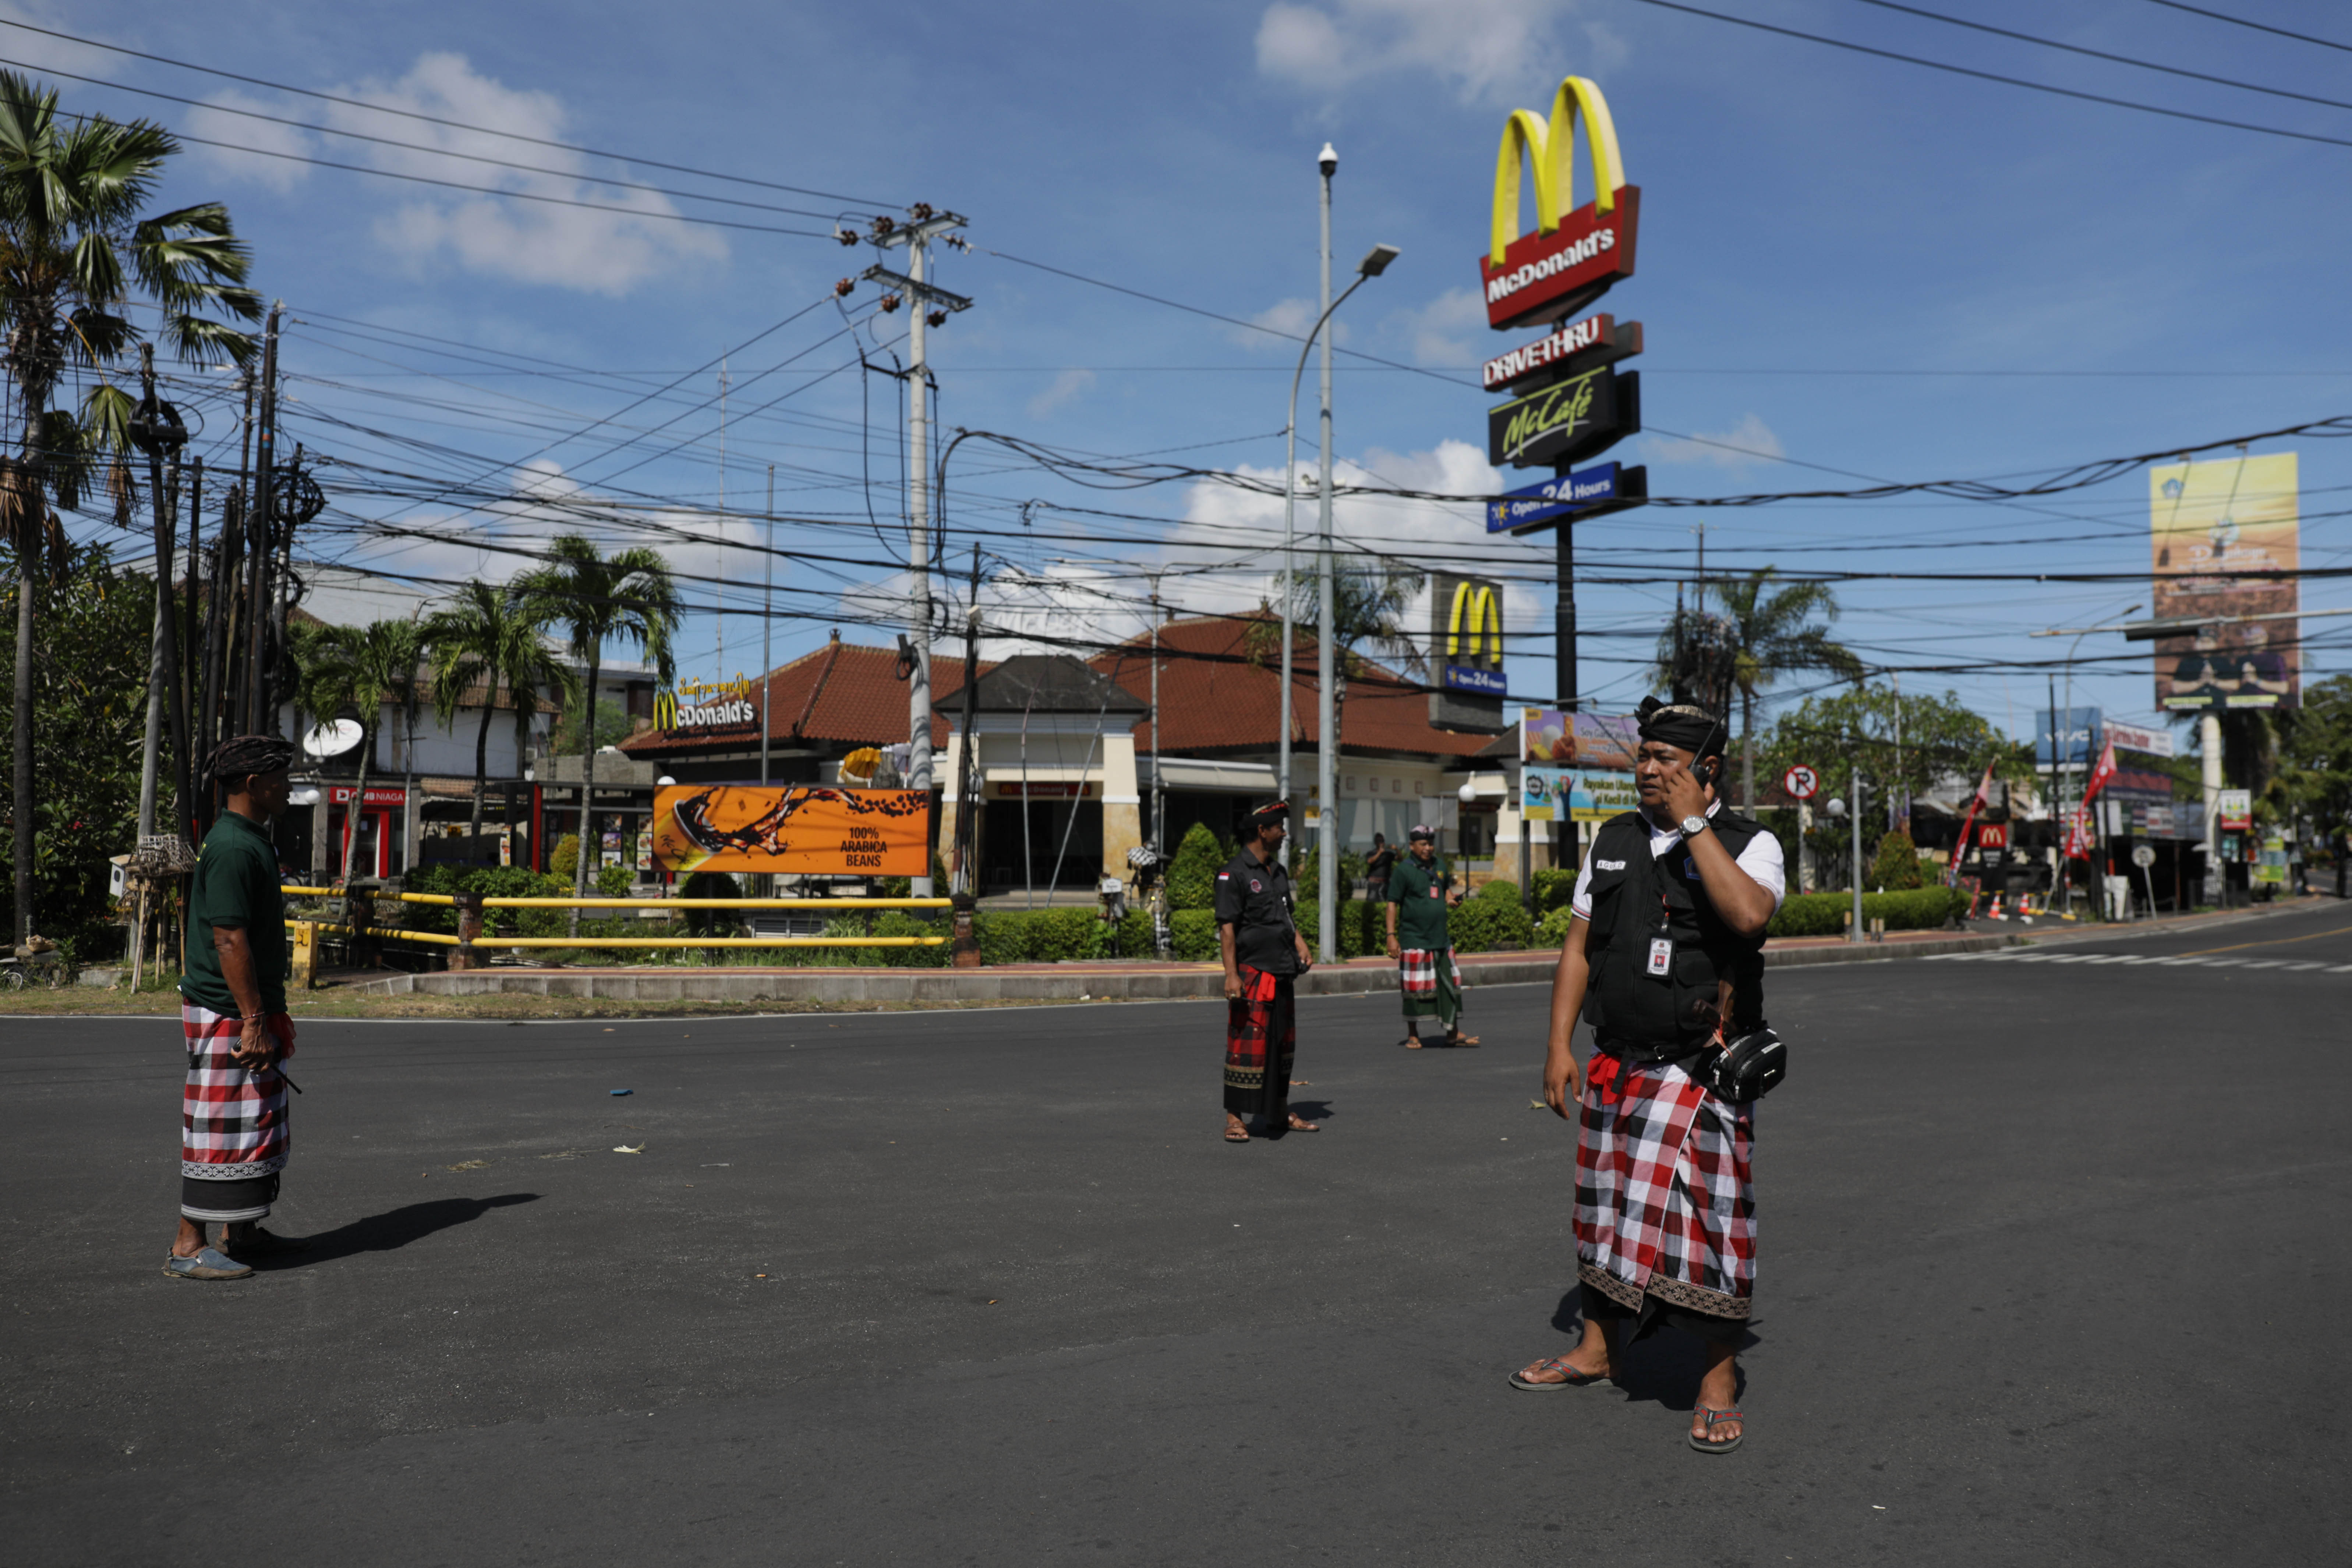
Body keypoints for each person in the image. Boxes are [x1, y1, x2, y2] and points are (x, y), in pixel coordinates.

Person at [1509, 699, 1786, 1455]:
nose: (1651, 768)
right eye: (1645, 754)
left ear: (1707, 768)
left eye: (1668, 757)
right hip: (1616, 1064)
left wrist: (1695, 826)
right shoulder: (1614, 840)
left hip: (1700, 1074)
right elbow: (1578, 947)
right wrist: (1557, 1045)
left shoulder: (1749, 842)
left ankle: (1717, 1380)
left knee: (1712, 1229)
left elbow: (1749, 916)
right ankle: (1599, 1350)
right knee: (1603, 1213)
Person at [167, 735, 309, 1280]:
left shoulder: (250, 839)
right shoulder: (231, 846)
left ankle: (242, 1230)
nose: (289, 786)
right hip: (228, 1010)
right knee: (218, 1128)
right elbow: (228, 938)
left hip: (250, 1008)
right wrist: (252, 1020)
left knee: (255, 1125)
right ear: (254, 785)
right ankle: (186, 1245)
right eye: (281, 777)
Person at [1216, 799, 1318, 1142]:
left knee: (1280, 1046)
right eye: (1279, 828)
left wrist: (1300, 943)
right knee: (1247, 1046)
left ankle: (1278, 1111)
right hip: (1254, 973)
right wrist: (1232, 975)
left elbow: (1286, 916)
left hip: (1283, 971)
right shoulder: (1234, 873)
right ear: (1262, 830)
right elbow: (1227, 929)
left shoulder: (1278, 871)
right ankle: (1234, 1118)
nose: (1284, 833)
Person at [1384, 824, 1475, 1048]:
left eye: (1431, 843)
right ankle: (1413, 1034)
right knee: (1414, 988)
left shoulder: (1440, 866)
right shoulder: (1403, 871)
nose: (1428, 848)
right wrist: (1391, 936)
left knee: (1450, 985)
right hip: (1415, 940)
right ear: (1412, 845)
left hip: (1441, 939)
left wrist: (1451, 899)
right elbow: (1392, 904)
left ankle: (1453, 1032)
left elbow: (1444, 890)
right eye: (1423, 844)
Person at [1364, 832, 1396, 905]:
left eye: (1382, 841)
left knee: (1385, 904)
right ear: (1375, 842)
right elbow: (1370, 861)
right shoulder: (1371, 853)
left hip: (1385, 883)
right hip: (1374, 883)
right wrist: (1379, 853)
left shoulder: (1388, 854)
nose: (1381, 843)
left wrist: (1396, 849)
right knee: (1371, 904)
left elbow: (1400, 859)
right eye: (1379, 841)